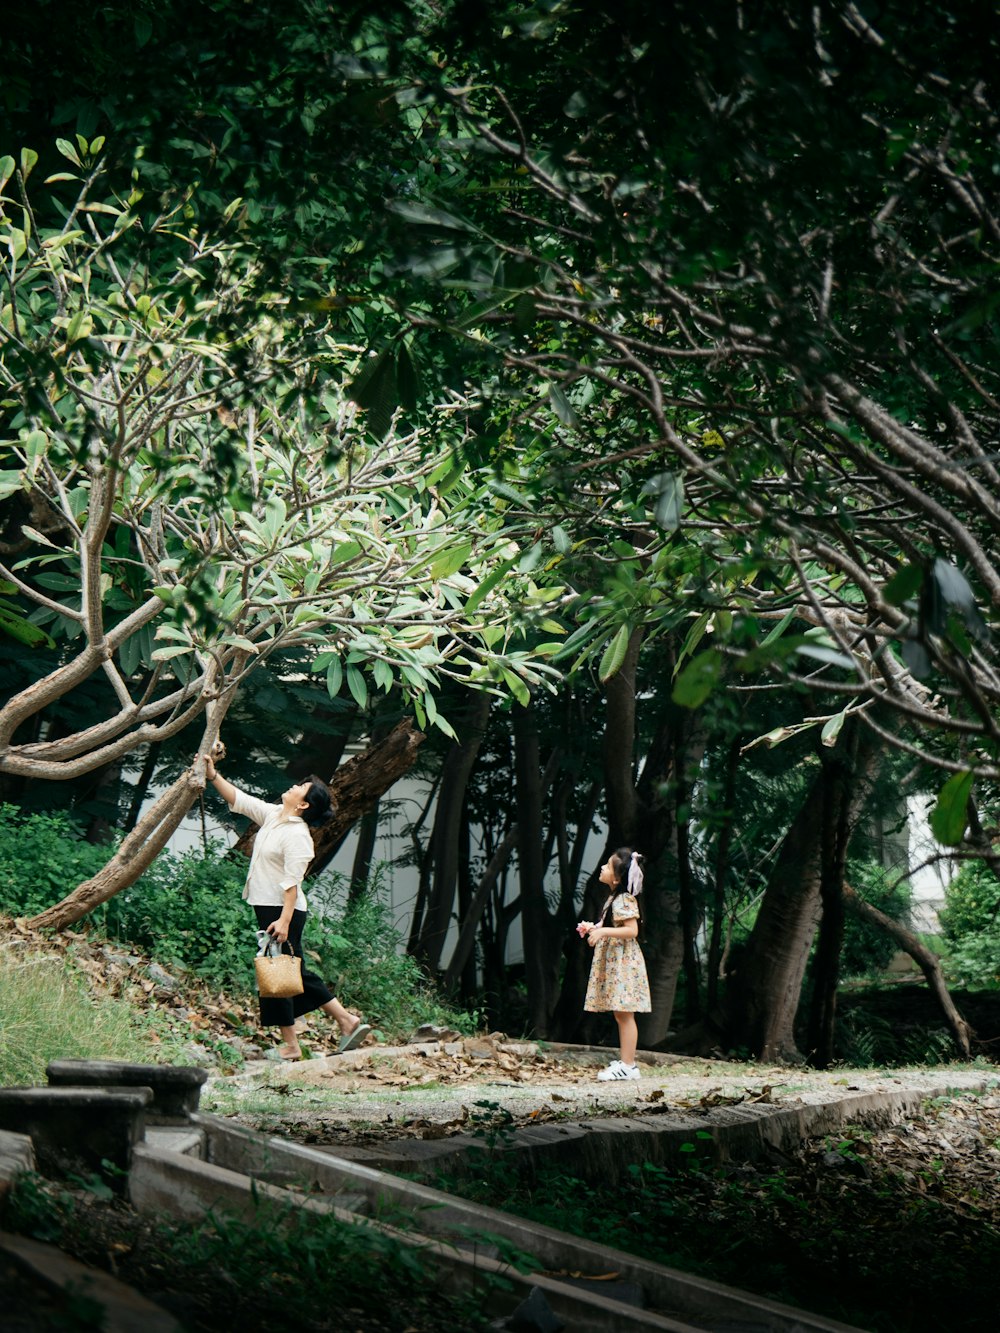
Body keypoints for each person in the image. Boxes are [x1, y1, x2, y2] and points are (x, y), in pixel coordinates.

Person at [204, 747, 370, 1062]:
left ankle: (321, 1032)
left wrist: (283, 921)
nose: (293, 786)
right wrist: (213, 775)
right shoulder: (274, 817)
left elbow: (293, 883)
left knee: (282, 974)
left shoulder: (298, 836)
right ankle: (337, 1023)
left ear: (303, 804)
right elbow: (239, 799)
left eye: (299, 788)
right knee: (282, 974)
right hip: (268, 908)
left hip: (284, 911)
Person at [579, 846, 651, 1081]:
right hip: (618, 962)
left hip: (624, 964)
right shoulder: (614, 898)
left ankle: (629, 1066)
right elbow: (617, 926)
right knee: (621, 1014)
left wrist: (603, 933)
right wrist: (595, 928)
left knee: (625, 1014)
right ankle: (626, 1062)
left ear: (618, 877)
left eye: (608, 866)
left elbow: (631, 930)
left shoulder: (623, 899)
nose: (602, 867)